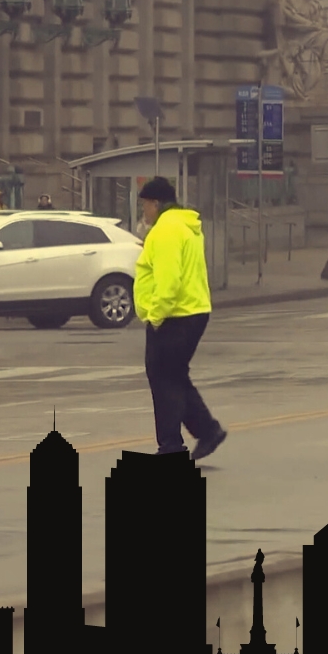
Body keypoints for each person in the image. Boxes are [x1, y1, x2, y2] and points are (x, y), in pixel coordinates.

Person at [134, 177, 228, 461]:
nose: (144, 213)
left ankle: (171, 445)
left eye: (145, 206)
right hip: (192, 310)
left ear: (155, 203)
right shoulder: (185, 226)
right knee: (173, 376)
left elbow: (169, 279)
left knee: (164, 379)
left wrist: (156, 315)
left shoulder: (166, 231)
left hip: (174, 315)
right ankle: (207, 430)